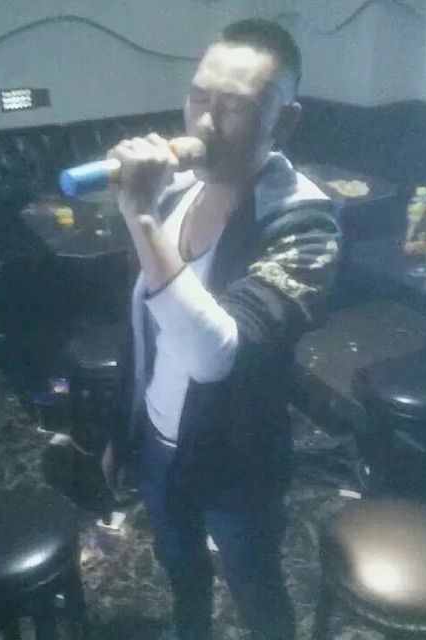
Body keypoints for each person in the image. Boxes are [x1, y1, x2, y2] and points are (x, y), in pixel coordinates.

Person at [101, 18, 340, 640]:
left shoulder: (306, 226)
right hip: (158, 441)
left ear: (284, 123)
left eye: (233, 108)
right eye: (198, 98)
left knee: (254, 580)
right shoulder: (177, 191)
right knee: (180, 567)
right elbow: (144, 328)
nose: (205, 124)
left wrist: (140, 218)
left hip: (238, 460)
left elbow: (215, 355)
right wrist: (123, 429)